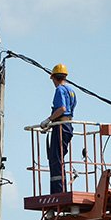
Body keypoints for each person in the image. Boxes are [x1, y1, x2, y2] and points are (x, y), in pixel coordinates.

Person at [40, 63, 76, 193]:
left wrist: (48, 120)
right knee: (60, 157)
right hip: (68, 126)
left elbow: (62, 109)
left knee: (55, 158)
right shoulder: (71, 91)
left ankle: (58, 191)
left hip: (60, 127)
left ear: (54, 77)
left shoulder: (60, 90)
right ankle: (61, 188)